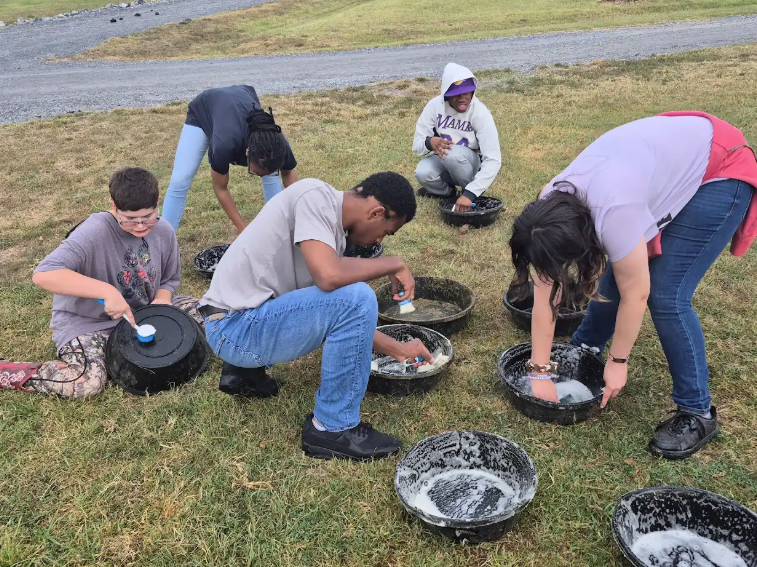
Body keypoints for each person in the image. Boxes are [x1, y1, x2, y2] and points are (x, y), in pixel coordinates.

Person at [509, 112, 757, 459]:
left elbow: (637, 292)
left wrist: (618, 361)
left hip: (720, 168)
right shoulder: (548, 210)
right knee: (622, 271)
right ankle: (587, 345)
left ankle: (698, 411)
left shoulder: (615, 211)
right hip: (663, 159)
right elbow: (546, 297)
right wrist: (540, 374)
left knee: (666, 292)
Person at [198, 172, 433, 461]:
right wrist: (393, 263)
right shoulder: (314, 195)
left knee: (352, 301)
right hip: (234, 328)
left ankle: (243, 372)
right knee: (358, 296)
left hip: (236, 325)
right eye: (387, 231)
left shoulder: (327, 233)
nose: (380, 239)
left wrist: (399, 350)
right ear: (377, 213)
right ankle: (331, 428)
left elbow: (332, 317)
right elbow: (330, 278)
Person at [0, 167, 204, 402]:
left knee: (213, 314)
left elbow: (169, 279)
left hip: (143, 312)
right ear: (113, 206)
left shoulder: (164, 230)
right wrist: (106, 291)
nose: (139, 226)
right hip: (88, 324)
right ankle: (0, 373)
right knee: (85, 382)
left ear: (157, 203)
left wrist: (162, 301)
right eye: (129, 219)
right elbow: (44, 274)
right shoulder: (93, 232)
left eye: (147, 217)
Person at [162, 85, 299, 232]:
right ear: (247, 152)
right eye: (256, 172)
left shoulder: (277, 142)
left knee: (271, 174)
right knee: (180, 180)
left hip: (242, 96)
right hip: (205, 109)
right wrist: (243, 228)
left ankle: (281, 228)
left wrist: (298, 215)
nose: (259, 176)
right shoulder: (224, 145)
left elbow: (290, 178)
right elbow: (220, 188)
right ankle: (164, 240)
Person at [413, 63, 502, 212]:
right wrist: (430, 142)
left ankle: (472, 193)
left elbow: (493, 159)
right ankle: (449, 194)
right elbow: (417, 146)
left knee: (451, 153)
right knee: (423, 172)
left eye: (466, 92)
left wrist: (470, 193)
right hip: (445, 159)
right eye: (456, 94)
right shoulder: (434, 106)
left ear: (473, 91)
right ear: (446, 94)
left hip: (471, 164)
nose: (462, 98)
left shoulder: (480, 113)